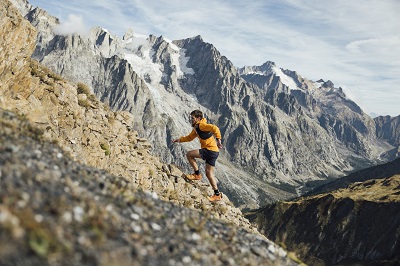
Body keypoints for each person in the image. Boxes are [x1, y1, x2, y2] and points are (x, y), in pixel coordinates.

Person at [172, 110, 224, 201]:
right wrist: (179, 140)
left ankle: (197, 175)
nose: (191, 119)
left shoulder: (201, 125)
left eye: (192, 118)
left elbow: (215, 128)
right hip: (214, 152)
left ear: (198, 118)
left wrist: (219, 140)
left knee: (189, 154)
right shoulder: (196, 127)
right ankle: (217, 194)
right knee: (209, 174)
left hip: (209, 150)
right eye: (191, 118)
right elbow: (189, 138)